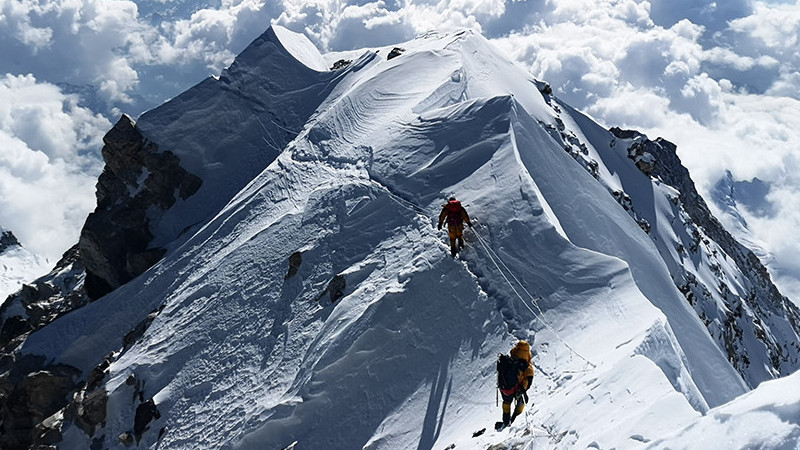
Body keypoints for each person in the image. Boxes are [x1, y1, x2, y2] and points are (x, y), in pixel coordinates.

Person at [496, 340, 535, 430]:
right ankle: (513, 418)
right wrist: (522, 390)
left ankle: (506, 420)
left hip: (504, 389)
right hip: (516, 389)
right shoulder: (527, 366)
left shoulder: (511, 359)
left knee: (506, 402)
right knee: (521, 402)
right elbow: (527, 381)